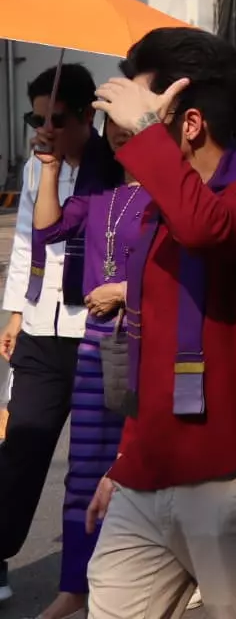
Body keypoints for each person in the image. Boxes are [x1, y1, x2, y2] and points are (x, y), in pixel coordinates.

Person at [81, 29, 236, 618]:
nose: (126, 131)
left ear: (191, 123)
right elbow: (145, 348)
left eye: (142, 116)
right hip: (145, 475)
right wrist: (123, 464)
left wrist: (149, 135)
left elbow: (207, 228)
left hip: (227, 478)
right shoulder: (156, 209)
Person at [0, 64, 122, 604]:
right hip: (43, 328)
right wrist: (15, 313)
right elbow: (29, 240)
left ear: (87, 117)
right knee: (21, 443)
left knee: (96, 462)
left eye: (58, 119)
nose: (45, 128)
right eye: (36, 117)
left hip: (100, 329)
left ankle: (109, 569)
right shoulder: (36, 168)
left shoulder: (117, 167)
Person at [21, 117, 134, 619]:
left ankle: (178, 572)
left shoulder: (178, 192)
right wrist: (48, 168)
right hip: (96, 341)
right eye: (112, 124)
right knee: (86, 467)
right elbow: (46, 230)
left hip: (159, 344)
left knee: (152, 467)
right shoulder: (99, 192)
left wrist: (127, 293)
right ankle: (75, 586)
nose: (120, 132)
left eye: (132, 121)